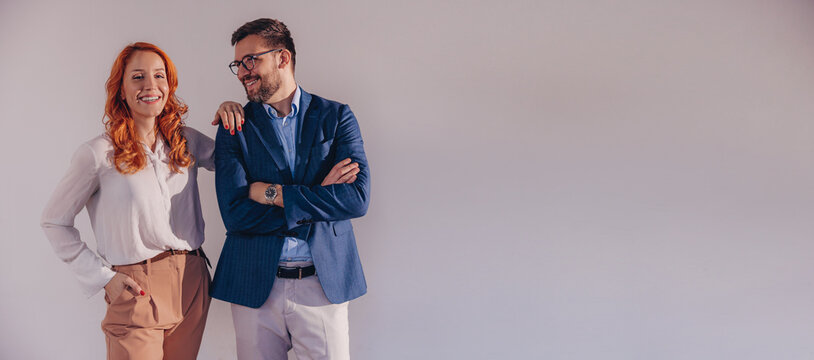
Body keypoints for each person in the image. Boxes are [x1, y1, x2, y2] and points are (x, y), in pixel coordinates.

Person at [41, 42, 216, 359]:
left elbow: (239, 163)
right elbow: (55, 221)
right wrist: (103, 279)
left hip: (192, 282)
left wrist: (234, 111)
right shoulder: (98, 153)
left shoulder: (186, 140)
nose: (151, 86)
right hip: (137, 288)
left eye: (159, 76)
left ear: (169, 84)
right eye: (138, 77)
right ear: (121, 90)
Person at [210, 18, 371, 359]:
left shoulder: (337, 117)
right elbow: (235, 215)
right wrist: (317, 195)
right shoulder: (234, 127)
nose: (242, 72)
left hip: (323, 284)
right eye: (237, 64)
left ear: (282, 58)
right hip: (256, 285)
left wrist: (273, 193)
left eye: (251, 60)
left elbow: (356, 199)